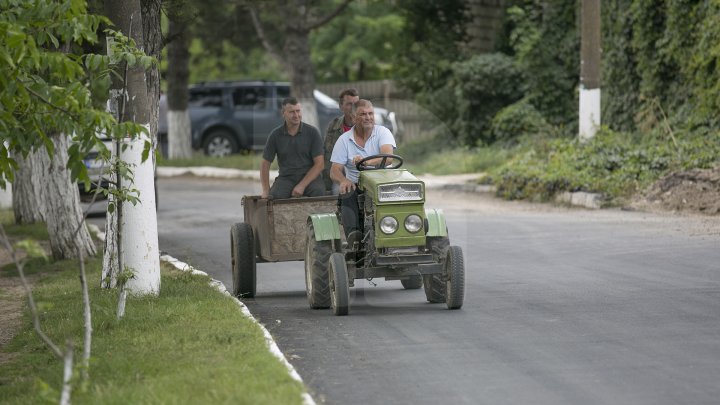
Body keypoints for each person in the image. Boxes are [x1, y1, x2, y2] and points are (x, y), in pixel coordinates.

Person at [330, 99, 396, 237]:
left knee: (408, 191)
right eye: (363, 114)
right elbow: (334, 170)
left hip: (384, 183)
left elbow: (388, 157)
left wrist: (366, 162)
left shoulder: (383, 132)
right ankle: (354, 235)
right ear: (354, 117)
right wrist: (343, 180)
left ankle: (411, 225)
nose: (368, 117)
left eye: (370, 113)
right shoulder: (344, 140)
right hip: (358, 185)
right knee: (347, 191)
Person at [260, 97, 325, 199]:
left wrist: (302, 185)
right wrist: (265, 189)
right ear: (283, 113)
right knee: (275, 196)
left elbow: (319, 164)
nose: (296, 115)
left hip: (310, 178)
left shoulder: (312, 132)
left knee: (318, 192)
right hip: (286, 178)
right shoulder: (275, 135)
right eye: (292, 112)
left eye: (298, 111)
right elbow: (265, 164)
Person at [323, 88, 359, 194]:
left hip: (360, 171)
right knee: (337, 192)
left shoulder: (366, 125)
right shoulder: (333, 126)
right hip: (340, 172)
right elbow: (327, 155)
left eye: (356, 103)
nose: (353, 107)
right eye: (349, 104)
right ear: (341, 106)